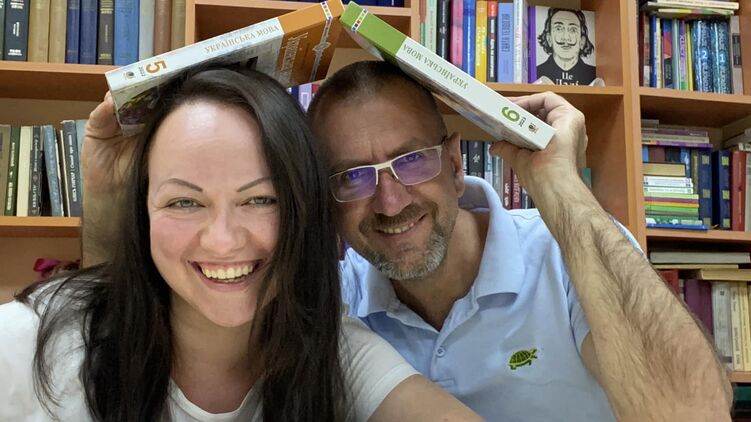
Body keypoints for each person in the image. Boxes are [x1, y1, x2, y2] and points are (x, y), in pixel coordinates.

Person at [82, 62, 733, 421]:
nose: (390, 201)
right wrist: (110, 198)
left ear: (453, 161)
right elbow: (130, 334)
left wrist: (559, 187)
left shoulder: (570, 253)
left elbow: (693, 413)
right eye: (352, 177)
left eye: (410, 161)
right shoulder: (327, 305)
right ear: (321, 199)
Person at [0, 67, 482, 421]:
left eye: (259, 199)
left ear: (302, 211)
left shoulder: (329, 345)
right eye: (185, 202)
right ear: (142, 212)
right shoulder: (31, 344)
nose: (224, 240)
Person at [535, 8, 596, 85]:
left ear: (582, 41)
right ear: (549, 39)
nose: (566, 37)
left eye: (573, 30)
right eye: (558, 29)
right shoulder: (536, 74)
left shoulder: (594, 76)